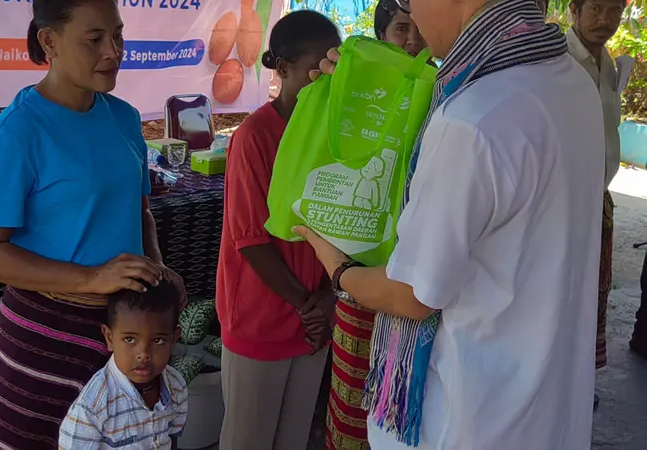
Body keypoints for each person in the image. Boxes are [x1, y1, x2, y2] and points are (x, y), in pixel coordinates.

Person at [300, 0, 604, 448]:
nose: (413, 16)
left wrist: (336, 266)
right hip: (545, 412)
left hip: (466, 420)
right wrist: (359, 94)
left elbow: (413, 293)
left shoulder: (470, 118)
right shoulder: (571, 81)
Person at [0, 0, 183, 448]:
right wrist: (90, 278)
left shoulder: (123, 118)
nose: (113, 51)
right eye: (95, 39)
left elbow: (138, 213)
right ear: (49, 41)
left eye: (118, 36)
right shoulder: (17, 132)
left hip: (124, 338)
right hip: (44, 346)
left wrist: (157, 272)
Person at [215, 10, 341, 450]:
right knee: (248, 438)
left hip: (315, 314)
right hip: (262, 314)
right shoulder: (253, 136)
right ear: (282, 69)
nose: (325, 78)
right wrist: (307, 305)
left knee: (292, 438)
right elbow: (250, 239)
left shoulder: (335, 136)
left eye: (334, 68)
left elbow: (345, 225)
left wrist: (326, 300)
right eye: (315, 70)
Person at [323, 2, 428, 450]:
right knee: (350, 394)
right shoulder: (355, 85)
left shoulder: (439, 88)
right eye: (401, 28)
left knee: (400, 403)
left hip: (414, 271)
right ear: (381, 35)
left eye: (419, 29)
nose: (412, 40)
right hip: (360, 261)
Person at [566, 0, 626, 405]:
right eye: (597, 9)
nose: (605, 20)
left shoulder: (612, 65)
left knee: (592, 294)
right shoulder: (556, 58)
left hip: (597, 202)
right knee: (563, 294)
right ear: (574, 9)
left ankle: (579, 381)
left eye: (615, 10)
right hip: (564, 204)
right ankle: (561, 382)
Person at [59, 279, 188, 449]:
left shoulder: (176, 386)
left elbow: (172, 440)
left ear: (174, 338)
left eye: (158, 340)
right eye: (129, 339)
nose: (144, 354)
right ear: (109, 338)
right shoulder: (93, 405)